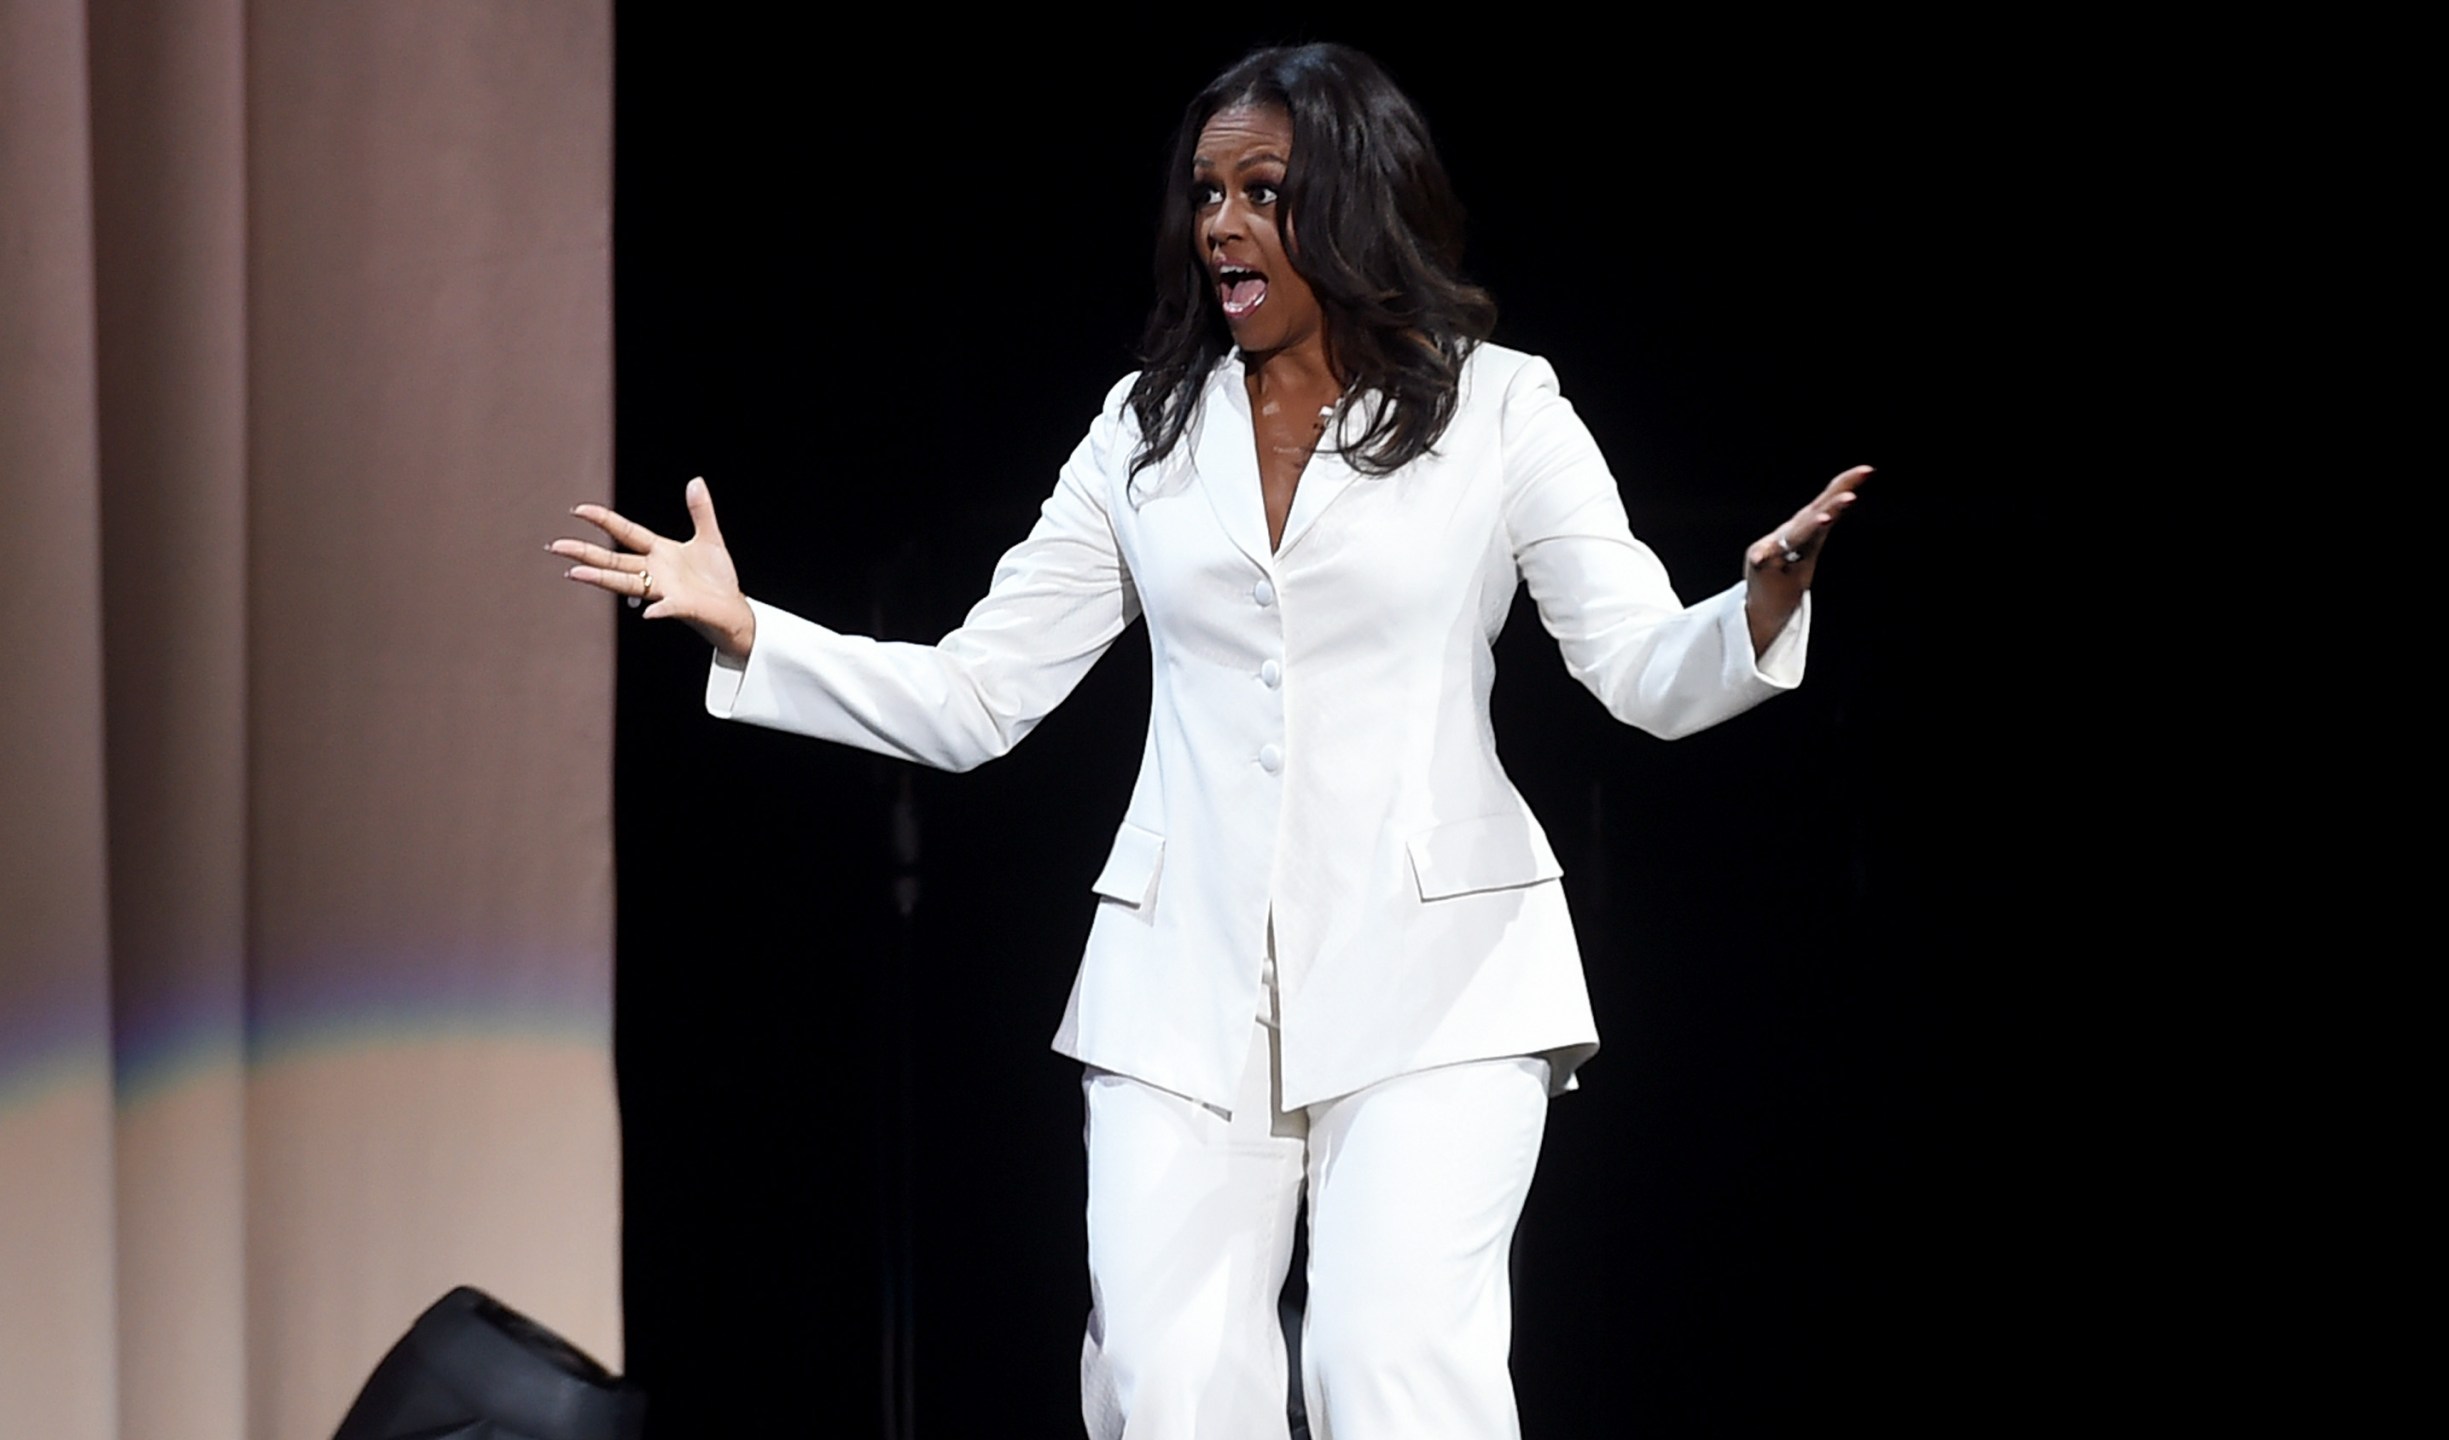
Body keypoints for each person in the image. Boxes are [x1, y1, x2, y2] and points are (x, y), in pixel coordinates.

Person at [554, 42, 1865, 1440]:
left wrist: (1757, 602)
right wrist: (752, 631)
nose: (1222, 226)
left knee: (1385, 1376)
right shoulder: (1142, 433)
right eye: (1206, 194)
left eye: (1262, 191)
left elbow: (1639, 669)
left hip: (1443, 977)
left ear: (1355, 206)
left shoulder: (1500, 409)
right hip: (1185, 985)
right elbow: (978, 695)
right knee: (1164, 1392)